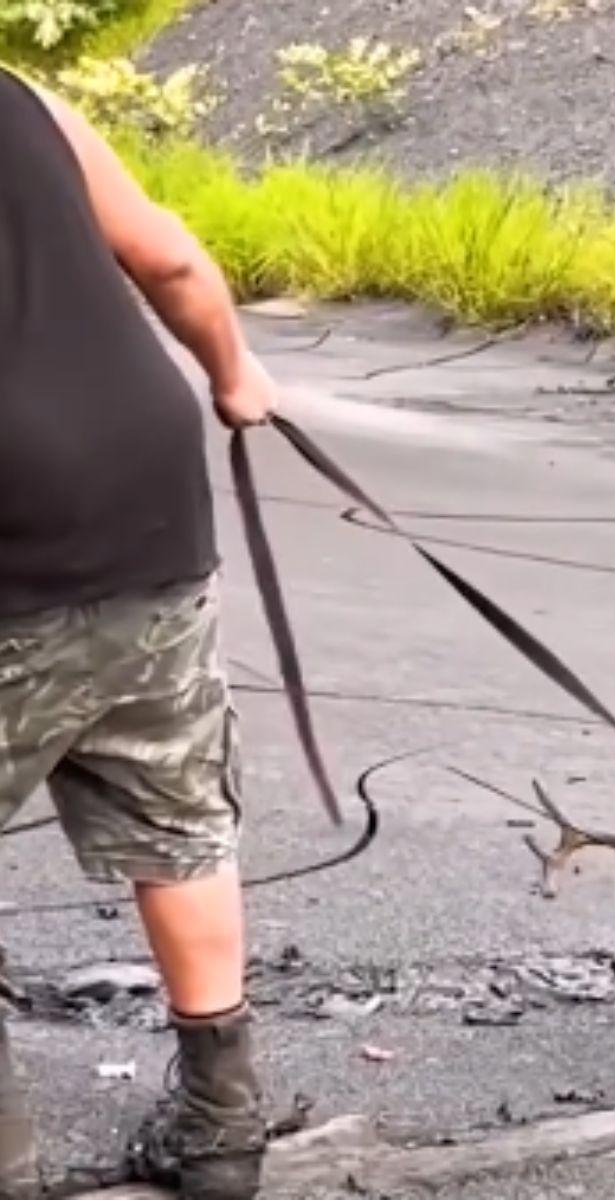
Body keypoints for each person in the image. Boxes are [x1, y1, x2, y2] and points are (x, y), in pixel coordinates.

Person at [0, 61, 278, 1199]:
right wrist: (236, 373)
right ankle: (222, 1126)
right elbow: (165, 252)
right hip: (142, 495)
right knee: (177, 814)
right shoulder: (20, 96)